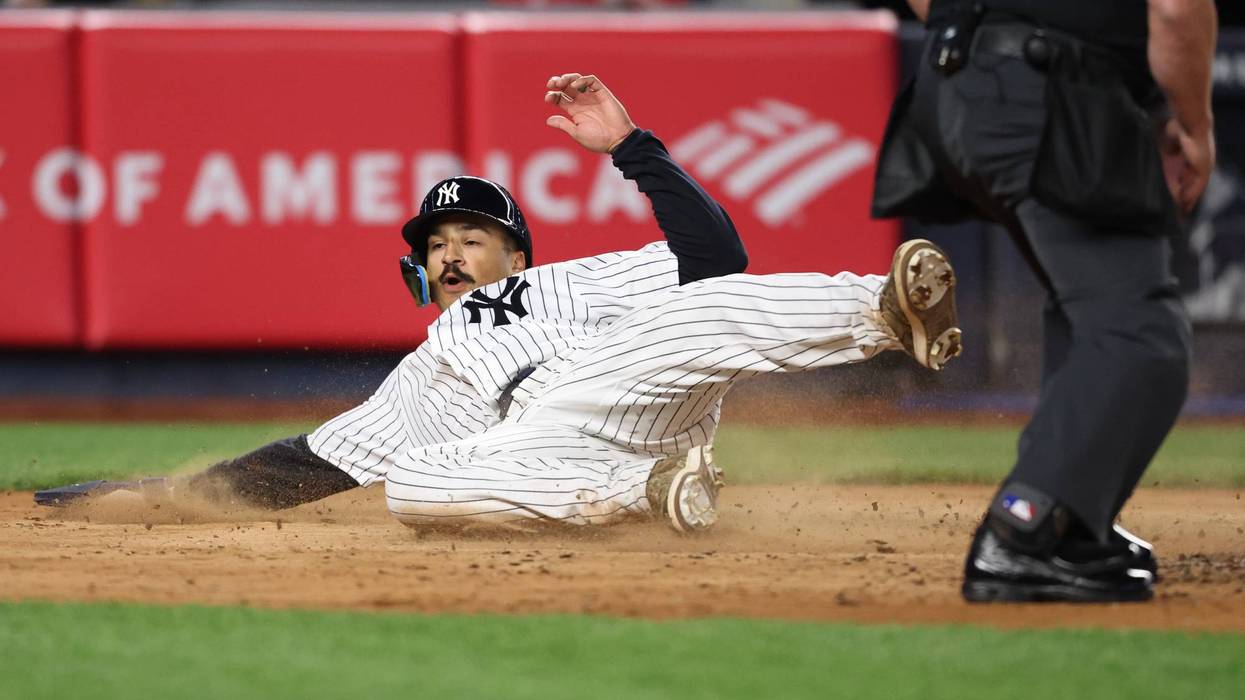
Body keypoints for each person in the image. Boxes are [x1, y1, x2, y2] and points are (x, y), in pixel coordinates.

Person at [38, 72, 962, 532]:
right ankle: (650, 497)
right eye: (434, 246)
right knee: (414, 489)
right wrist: (156, 496)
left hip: (612, 384)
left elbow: (716, 257)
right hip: (544, 451)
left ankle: (884, 315)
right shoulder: (418, 373)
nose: (448, 255)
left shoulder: (569, 280)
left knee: (698, 307)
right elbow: (303, 466)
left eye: (470, 239)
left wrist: (633, 146)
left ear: (516, 250)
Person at [872, 0, 1216, 601]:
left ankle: (1073, 524)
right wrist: (1196, 127)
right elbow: (1176, 8)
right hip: (1047, 89)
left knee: (1091, 318)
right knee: (1141, 335)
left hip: (952, 85)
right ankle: (1024, 528)